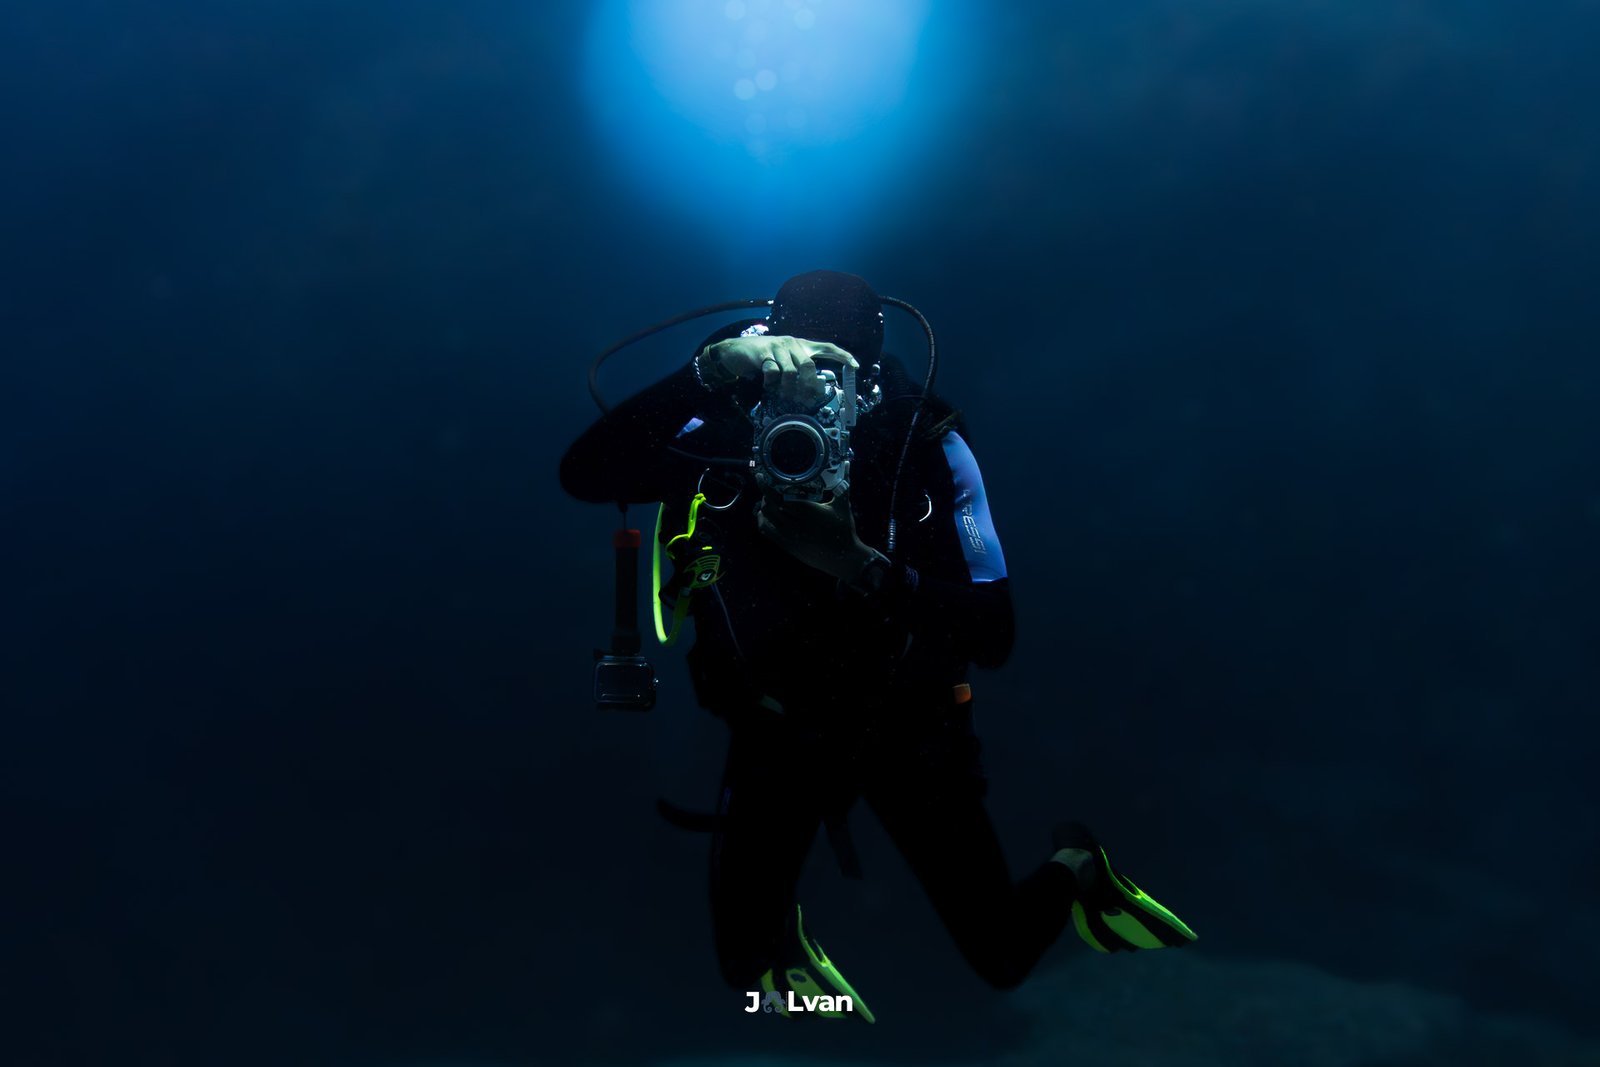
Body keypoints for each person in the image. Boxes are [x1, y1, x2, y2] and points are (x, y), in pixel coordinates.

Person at [560, 270, 1194, 1022]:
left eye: (843, 379)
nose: (819, 404)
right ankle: (788, 954)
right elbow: (585, 475)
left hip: (908, 726)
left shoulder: (922, 443)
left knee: (1003, 957)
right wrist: (706, 375)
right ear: (765, 353)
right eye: (801, 373)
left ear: (876, 373)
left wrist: (860, 565)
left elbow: (994, 633)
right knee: (745, 969)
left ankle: (1080, 865)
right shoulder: (726, 426)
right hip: (775, 726)